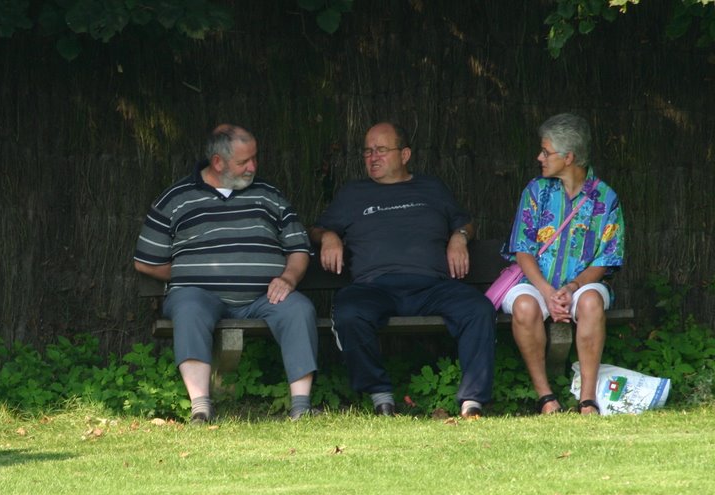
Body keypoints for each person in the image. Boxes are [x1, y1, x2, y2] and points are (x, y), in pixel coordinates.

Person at [134, 124, 319, 423]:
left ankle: (301, 406)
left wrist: (288, 278)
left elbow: (298, 248)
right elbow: (145, 261)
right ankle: (201, 407)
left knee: (299, 309)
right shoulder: (177, 198)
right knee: (189, 306)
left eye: (254, 158)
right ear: (218, 162)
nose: (253, 167)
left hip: (265, 296)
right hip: (201, 297)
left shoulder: (269, 195)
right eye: (244, 162)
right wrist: (189, 275)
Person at [309, 122, 494, 418]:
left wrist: (459, 237)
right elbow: (317, 229)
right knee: (348, 313)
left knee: (479, 309)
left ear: (404, 154)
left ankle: (472, 401)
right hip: (374, 287)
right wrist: (329, 235)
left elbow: (465, 221)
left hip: (432, 286)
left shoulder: (432, 188)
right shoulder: (353, 194)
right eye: (368, 151)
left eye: (381, 150)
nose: (373, 157)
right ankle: (381, 396)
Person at [502, 113, 624, 415]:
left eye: (546, 151)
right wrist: (546, 291)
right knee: (525, 307)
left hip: (582, 285)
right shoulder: (536, 192)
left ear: (568, 157)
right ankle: (546, 397)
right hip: (534, 283)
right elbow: (523, 250)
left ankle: (587, 400)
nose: (539, 157)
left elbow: (606, 259)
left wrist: (571, 287)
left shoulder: (604, 199)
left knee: (592, 302)